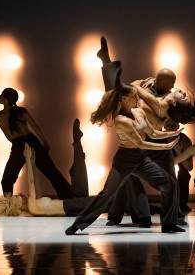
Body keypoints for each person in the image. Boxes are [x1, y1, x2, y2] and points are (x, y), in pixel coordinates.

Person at [65, 60, 185, 235]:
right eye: (133, 97)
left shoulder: (138, 112)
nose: (137, 99)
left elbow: (152, 133)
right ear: (124, 99)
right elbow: (142, 142)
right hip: (124, 160)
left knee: (169, 184)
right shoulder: (121, 120)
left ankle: (168, 224)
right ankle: (78, 224)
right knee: (106, 195)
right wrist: (167, 145)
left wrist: (171, 136)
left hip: (140, 158)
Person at [0, 76, 75, 199]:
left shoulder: (0, 115)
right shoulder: (19, 112)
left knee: (9, 179)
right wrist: (44, 143)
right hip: (31, 142)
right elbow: (36, 128)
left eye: (1, 95)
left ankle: (9, 204)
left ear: (6, 100)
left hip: (21, 145)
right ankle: (69, 198)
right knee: (52, 173)